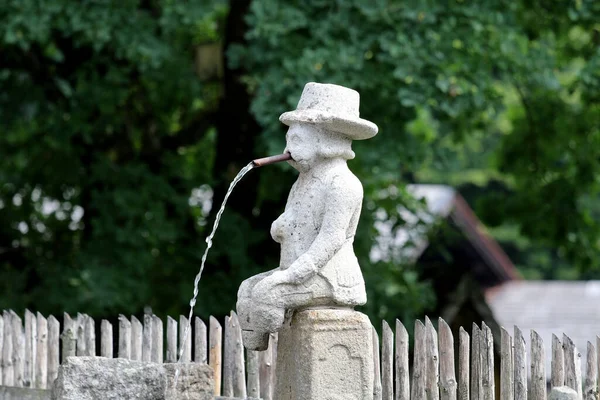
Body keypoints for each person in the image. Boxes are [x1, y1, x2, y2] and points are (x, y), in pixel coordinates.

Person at [236, 82, 378, 350]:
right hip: (294, 270)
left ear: (327, 141)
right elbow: (288, 225)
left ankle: (282, 334)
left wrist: (292, 276)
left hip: (328, 278)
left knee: (267, 294)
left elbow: (331, 238)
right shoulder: (302, 182)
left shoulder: (343, 184)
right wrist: (280, 227)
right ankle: (259, 349)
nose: (288, 149)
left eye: (297, 141)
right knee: (247, 290)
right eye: (288, 140)